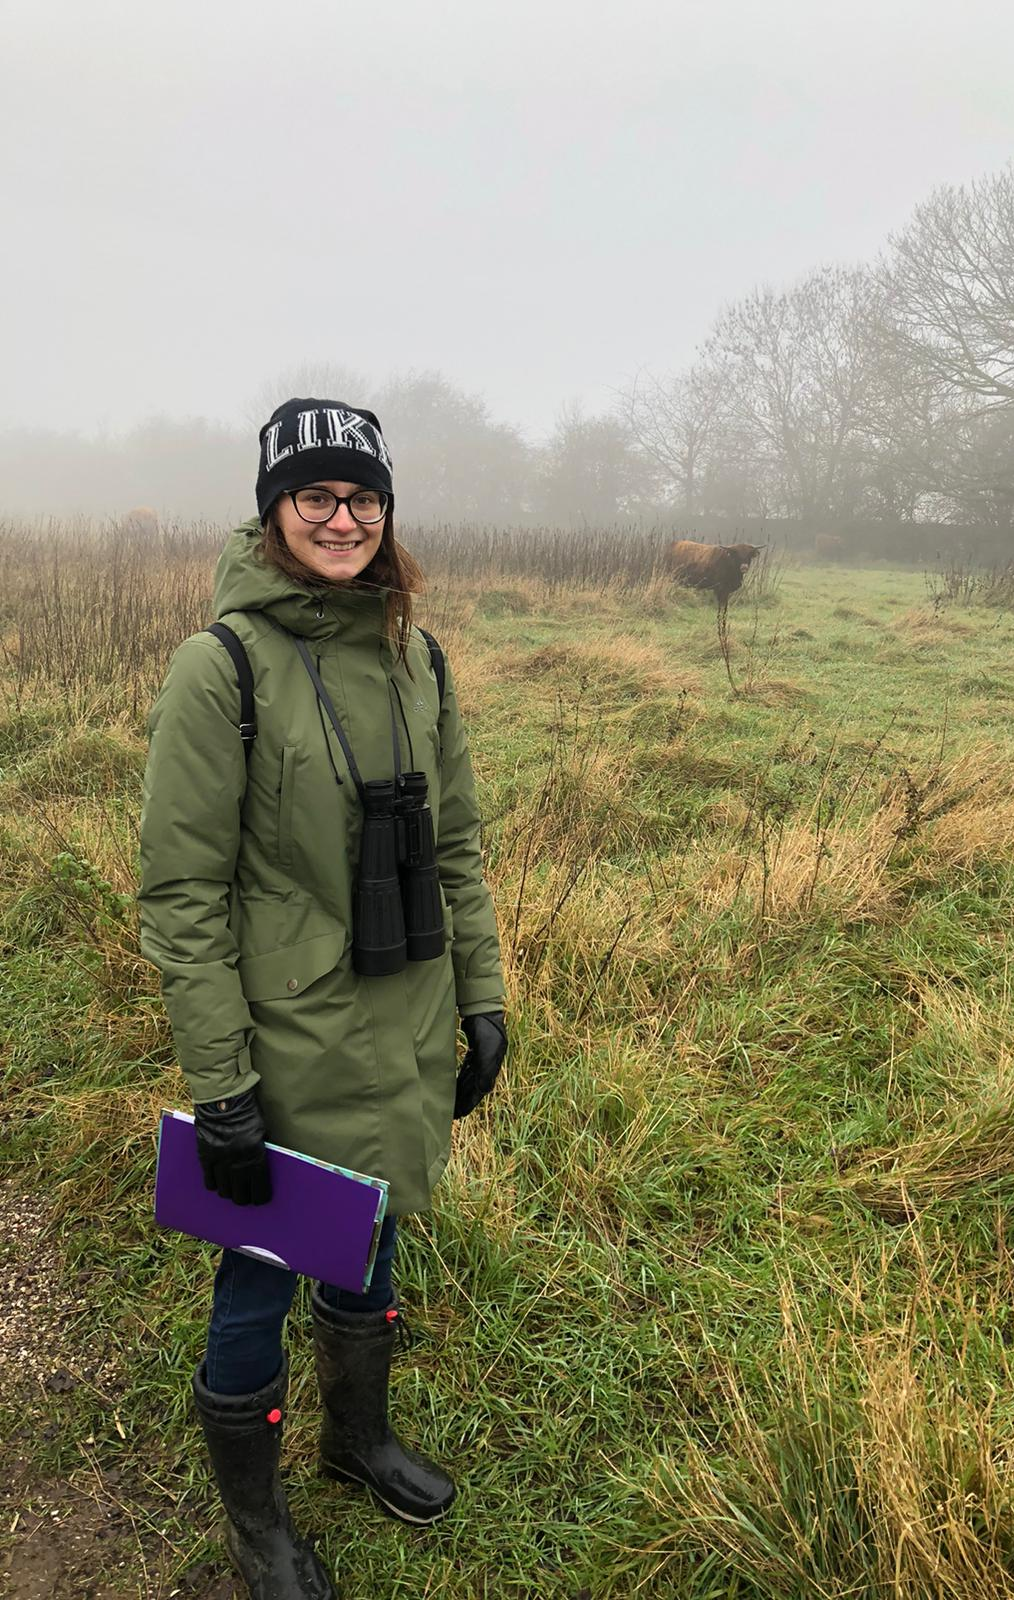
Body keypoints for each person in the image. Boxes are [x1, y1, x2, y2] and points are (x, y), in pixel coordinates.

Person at [139, 398, 507, 1600]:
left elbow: (458, 846)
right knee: (259, 1269)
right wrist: (223, 1084)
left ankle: (357, 1440)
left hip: (402, 1019)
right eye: (316, 497)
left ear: (388, 511)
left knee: (377, 1229)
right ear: (273, 512)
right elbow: (183, 892)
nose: (343, 519)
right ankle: (257, 1527)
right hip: (283, 1043)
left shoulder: (419, 655)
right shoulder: (223, 667)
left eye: (364, 498)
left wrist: (485, 1000)